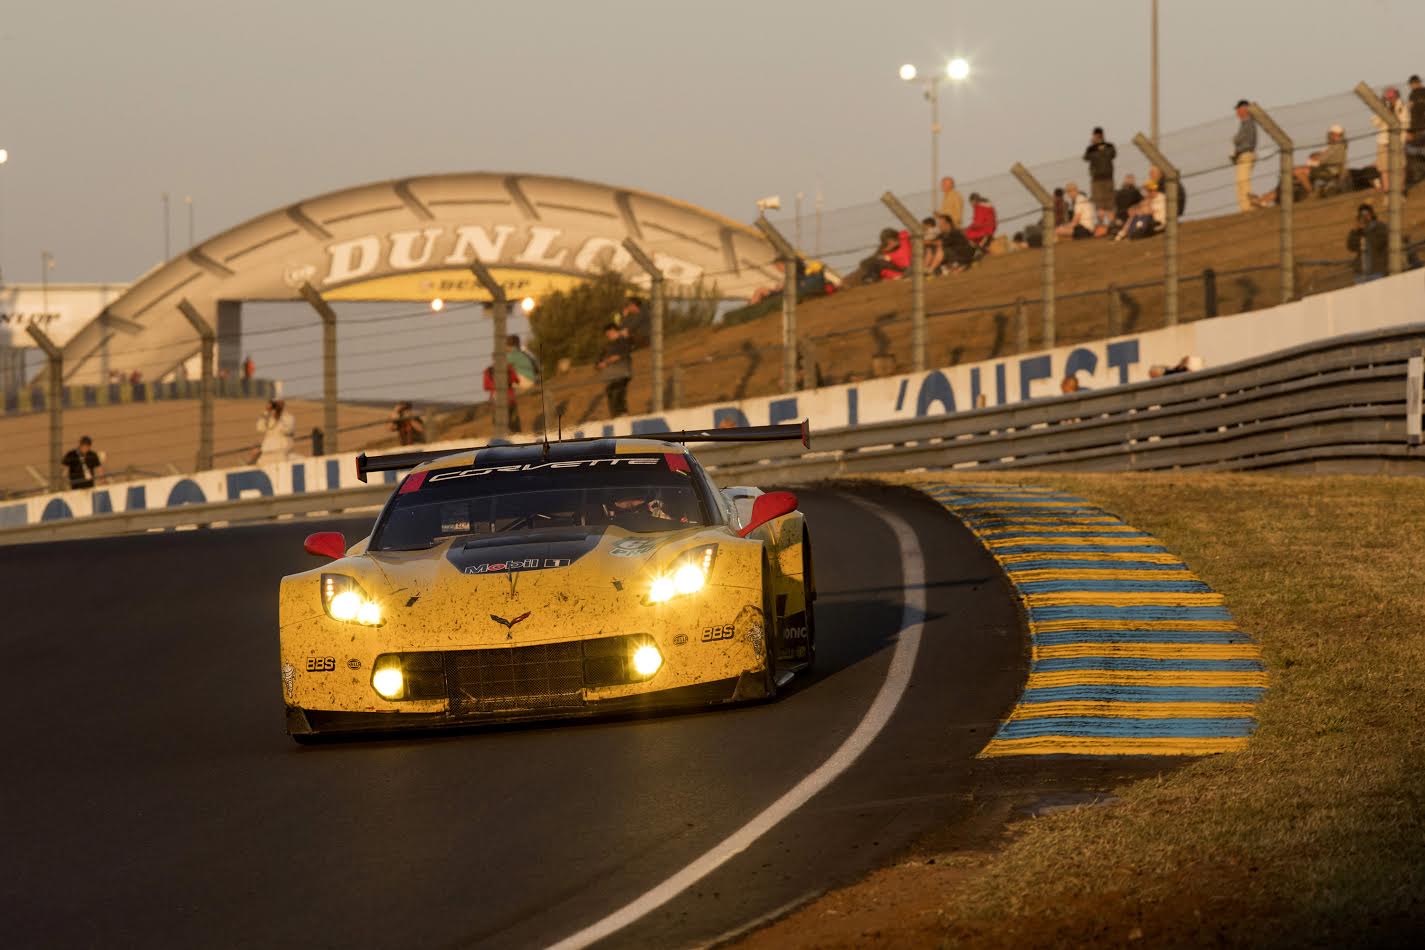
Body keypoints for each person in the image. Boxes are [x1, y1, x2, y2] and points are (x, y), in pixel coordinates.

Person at [1371, 87, 1410, 191]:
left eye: (1392, 97)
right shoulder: (1382, 108)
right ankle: (1388, 191)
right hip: (1383, 141)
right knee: (1384, 169)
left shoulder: (1402, 107)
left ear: (1397, 96)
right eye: (1388, 97)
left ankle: (1401, 189)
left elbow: (1405, 124)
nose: (1390, 99)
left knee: (1400, 167)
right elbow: (1375, 123)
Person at [1083, 127, 1117, 227]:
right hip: (1096, 179)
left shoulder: (1109, 146)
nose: (1096, 137)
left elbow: (1112, 154)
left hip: (1108, 178)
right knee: (1099, 203)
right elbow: (1086, 158)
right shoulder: (1091, 148)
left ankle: (1111, 223)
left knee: (1109, 203)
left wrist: (1100, 149)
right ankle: (1101, 224)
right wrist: (1094, 146)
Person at [597, 321, 632, 417]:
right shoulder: (607, 346)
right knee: (611, 396)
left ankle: (623, 416)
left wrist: (607, 361)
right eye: (606, 334)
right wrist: (600, 364)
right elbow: (599, 361)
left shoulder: (623, 341)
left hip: (622, 374)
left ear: (613, 330)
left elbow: (620, 355)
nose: (607, 335)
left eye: (609, 333)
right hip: (610, 377)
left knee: (618, 395)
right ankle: (616, 418)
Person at [1347, 203, 1389, 282]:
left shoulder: (1380, 227)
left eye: (1366, 214)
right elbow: (1351, 246)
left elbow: (1379, 243)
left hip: (1377, 271)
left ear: (1372, 214)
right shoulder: (1358, 231)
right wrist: (1355, 231)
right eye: (1362, 215)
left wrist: (1367, 231)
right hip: (1361, 273)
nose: (1364, 218)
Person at [1306, 126, 1349, 195]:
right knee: (1303, 169)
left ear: (1337, 134)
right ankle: (1314, 189)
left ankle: (1311, 192)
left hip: (1330, 170)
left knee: (1301, 171)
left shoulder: (1337, 146)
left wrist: (1317, 158)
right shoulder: (1337, 145)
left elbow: (1324, 160)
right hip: (1328, 168)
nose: (1330, 136)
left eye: (1332, 134)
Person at [1232, 99, 1257, 212]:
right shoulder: (1245, 123)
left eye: (1238, 109)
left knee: (1243, 181)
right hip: (1243, 155)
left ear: (1244, 109)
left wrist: (1237, 146)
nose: (1236, 112)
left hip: (1245, 154)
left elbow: (1247, 142)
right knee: (1241, 182)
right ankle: (1245, 207)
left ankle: (1248, 206)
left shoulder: (1248, 123)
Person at [483, 362, 521, 432]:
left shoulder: (488, 371)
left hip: (496, 399)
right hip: (509, 397)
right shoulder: (509, 368)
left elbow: (486, 386)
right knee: (512, 418)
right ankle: (513, 431)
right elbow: (517, 380)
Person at [256, 399, 296, 463]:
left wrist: (278, 417)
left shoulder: (289, 417)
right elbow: (260, 428)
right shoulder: (268, 417)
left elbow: (287, 430)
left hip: (281, 451)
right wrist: (266, 411)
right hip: (267, 450)